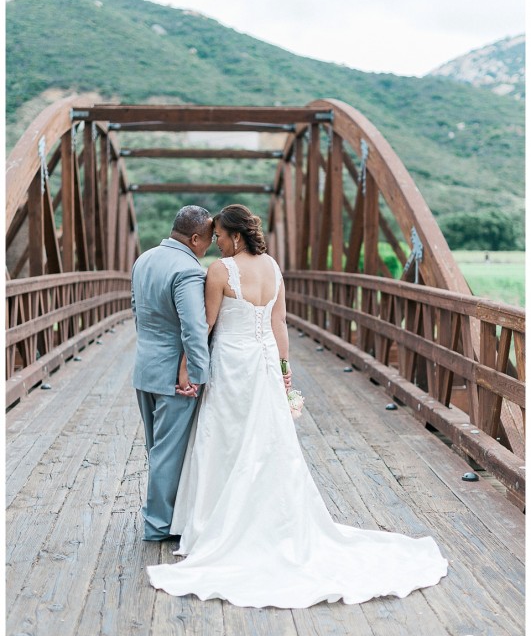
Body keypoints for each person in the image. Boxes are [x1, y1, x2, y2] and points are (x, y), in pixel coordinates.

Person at [147, 205, 448, 607]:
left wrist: (187, 365)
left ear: (235, 236)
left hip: (232, 365)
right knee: (268, 442)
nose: (215, 242)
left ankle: (213, 522)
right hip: (265, 364)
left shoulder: (220, 271)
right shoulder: (273, 268)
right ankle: (275, 520)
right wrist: (285, 370)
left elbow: (206, 325)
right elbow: (279, 323)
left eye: (218, 236)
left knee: (224, 439)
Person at [131, 205, 213, 542]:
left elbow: (137, 311)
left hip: (145, 367)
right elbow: (194, 328)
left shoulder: (144, 259)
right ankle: (158, 525)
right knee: (168, 452)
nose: (208, 246)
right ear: (194, 238)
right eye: (208, 240)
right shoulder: (188, 270)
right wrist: (197, 374)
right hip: (173, 377)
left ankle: (162, 516)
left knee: (156, 448)